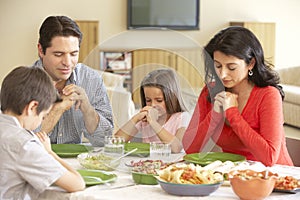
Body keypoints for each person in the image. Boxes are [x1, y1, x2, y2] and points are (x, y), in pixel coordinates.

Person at [182, 26, 294, 166]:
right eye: (217, 66)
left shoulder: (268, 95)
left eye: (231, 67)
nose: (222, 74)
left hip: (275, 178)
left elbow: (269, 158)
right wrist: (215, 115)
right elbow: (190, 149)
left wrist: (232, 113)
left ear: (251, 63)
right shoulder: (210, 91)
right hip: (233, 176)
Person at [0, 66, 85, 200]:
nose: (41, 122)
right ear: (32, 107)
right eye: (44, 116)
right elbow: (77, 183)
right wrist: (49, 152)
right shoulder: (24, 145)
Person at [32, 15, 113, 147]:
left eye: (73, 54)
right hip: (35, 162)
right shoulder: (21, 83)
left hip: (77, 163)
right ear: (41, 50)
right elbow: (22, 145)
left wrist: (87, 109)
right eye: (58, 54)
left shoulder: (92, 79)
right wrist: (60, 107)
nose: (67, 63)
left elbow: (105, 140)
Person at [115, 68, 191, 153]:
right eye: (148, 100)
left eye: (159, 100)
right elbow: (116, 141)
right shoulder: (145, 119)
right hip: (149, 164)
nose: (153, 105)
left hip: (174, 165)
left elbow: (176, 148)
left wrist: (153, 122)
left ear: (171, 97)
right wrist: (136, 118)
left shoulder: (182, 118)